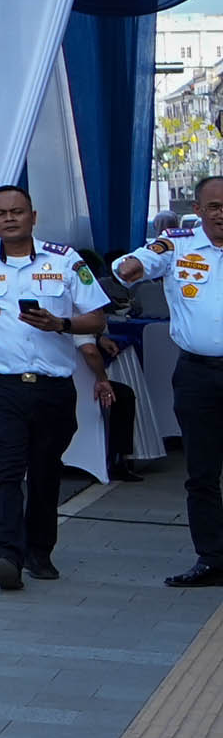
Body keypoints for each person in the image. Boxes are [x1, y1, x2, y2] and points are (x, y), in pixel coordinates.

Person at [0, 184, 114, 592]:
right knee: (3, 471)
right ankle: (5, 555)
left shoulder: (66, 261)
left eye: (17, 211)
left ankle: (39, 551)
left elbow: (98, 319)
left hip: (52, 388)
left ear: (33, 216)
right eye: (0, 213)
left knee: (45, 471)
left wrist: (62, 325)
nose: (9, 218)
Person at [106, 171, 223, 589]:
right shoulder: (177, 245)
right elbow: (129, 267)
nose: (222, 214)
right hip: (197, 373)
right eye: (214, 207)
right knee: (202, 472)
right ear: (198, 211)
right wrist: (133, 266)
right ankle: (212, 559)